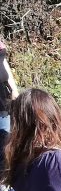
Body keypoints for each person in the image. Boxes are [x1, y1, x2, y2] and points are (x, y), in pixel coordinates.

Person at [0, 40, 19, 168]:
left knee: (6, 140)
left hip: (2, 98)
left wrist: (14, 88)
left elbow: (3, 62)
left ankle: (4, 178)